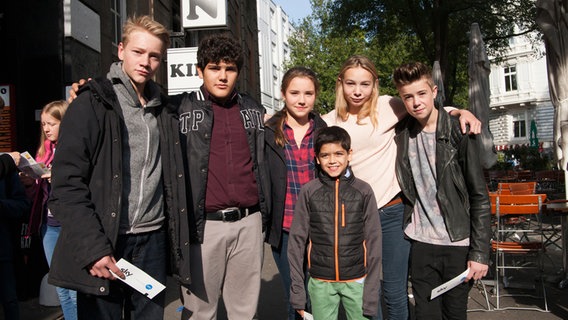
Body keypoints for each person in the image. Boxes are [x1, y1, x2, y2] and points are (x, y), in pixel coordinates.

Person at [47, 15, 188, 320]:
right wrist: (92, 248)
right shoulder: (92, 103)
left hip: (152, 243)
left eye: (154, 56)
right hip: (105, 240)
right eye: (138, 52)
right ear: (121, 50)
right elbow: (66, 185)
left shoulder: (165, 109)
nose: (145, 62)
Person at [321, 55, 481, 320]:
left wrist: (460, 111)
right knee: (362, 289)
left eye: (365, 84)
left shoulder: (388, 106)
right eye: (351, 83)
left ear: (375, 85)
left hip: (392, 213)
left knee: (394, 291)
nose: (358, 91)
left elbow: (425, 104)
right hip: (353, 217)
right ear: (340, 84)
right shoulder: (328, 122)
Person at [169, 33, 269, 320]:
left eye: (230, 68)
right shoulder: (178, 109)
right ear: (200, 70)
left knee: (244, 312)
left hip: (249, 223)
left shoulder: (253, 110)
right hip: (203, 227)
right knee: (200, 312)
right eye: (214, 68)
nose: (223, 76)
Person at [392, 62, 490, 320]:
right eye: (408, 97)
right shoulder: (402, 133)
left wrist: (479, 252)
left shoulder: (460, 131)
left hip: (457, 243)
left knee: (454, 315)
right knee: (425, 315)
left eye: (421, 94)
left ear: (434, 91)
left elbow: (479, 195)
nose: (415, 102)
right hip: (420, 242)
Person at [288, 126, 381, 319]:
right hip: (321, 282)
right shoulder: (309, 191)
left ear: (349, 154)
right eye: (325, 155)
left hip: (357, 281)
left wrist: (371, 292)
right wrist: (298, 292)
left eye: (339, 153)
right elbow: (296, 242)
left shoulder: (364, 191)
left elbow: (374, 243)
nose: (332, 161)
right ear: (316, 158)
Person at [265, 66, 327, 319]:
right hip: (286, 227)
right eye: (294, 93)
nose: (301, 100)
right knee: (295, 296)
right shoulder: (269, 131)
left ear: (316, 95)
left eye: (308, 93)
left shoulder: (324, 130)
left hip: (320, 228)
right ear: (282, 94)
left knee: (319, 294)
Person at [21, 100, 77, 320]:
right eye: (43, 124)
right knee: (60, 286)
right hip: (49, 225)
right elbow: (36, 197)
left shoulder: (74, 148)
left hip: (70, 225)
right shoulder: (44, 151)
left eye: (52, 124)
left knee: (73, 287)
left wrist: (58, 177)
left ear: (65, 123)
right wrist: (28, 183)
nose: (46, 129)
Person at [0, 171, 31, 320]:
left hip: (2, 250)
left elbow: (23, 204)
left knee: (9, 300)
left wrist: (2, 205)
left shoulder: (4, 169)